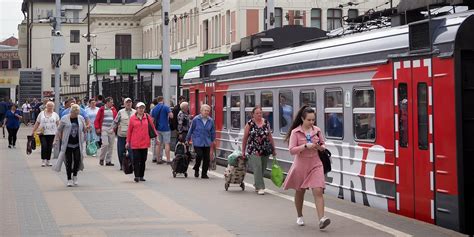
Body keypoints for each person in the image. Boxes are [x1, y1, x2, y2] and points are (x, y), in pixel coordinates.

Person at [283, 106, 331, 229]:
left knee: (318, 190)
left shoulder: (317, 130)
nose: (311, 122)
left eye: (313, 120)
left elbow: (323, 143)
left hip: (316, 164)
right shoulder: (295, 132)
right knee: (300, 191)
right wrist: (305, 146)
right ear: (302, 119)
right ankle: (299, 215)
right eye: (309, 120)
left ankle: (321, 219)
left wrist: (321, 147)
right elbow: (292, 150)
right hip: (301, 165)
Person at [242, 105, 277, 195]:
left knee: (263, 167)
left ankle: (257, 183)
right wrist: (243, 151)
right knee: (257, 166)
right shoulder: (250, 124)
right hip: (253, 148)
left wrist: (273, 149)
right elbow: (245, 138)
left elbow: (269, 136)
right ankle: (260, 187)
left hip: (265, 148)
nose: (259, 115)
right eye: (257, 113)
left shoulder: (266, 122)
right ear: (253, 114)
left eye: (260, 113)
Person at [53, 104, 86, 187]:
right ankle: (69, 179)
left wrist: (87, 130)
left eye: (77, 113)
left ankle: (75, 176)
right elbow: (59, 130)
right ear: (71, 112)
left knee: (77, 160)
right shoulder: (64, 118)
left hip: (77, 144)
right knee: (69, 161)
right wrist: (57, 139)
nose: (76, 115)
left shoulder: (80, 118)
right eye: (74, 113)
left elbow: (84, 129)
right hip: (67, 144)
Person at [126, 102, 156, 182]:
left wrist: (157, 138)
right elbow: (129, 131)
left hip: (145, 142)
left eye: (143, 108)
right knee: (136, 159)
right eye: (140, 108)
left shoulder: (147, 117)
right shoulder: (132, 118)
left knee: (143, 159)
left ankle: (141, 175)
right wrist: (127, 142)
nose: (141, 109)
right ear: (137, 109)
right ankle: (137, 176)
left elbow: (152, 127)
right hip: (135, 142)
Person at [186, 104, 215, 179]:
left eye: (208, 111)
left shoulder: (210, 120)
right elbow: (191, 129)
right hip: (197, 141)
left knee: (206, 158)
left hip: (207, 142)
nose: (207, 112)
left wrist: (213, 140)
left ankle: (204, 174)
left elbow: (212, 131)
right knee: (199, 155)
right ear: (201, 111)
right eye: (205, 111)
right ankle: (196, 168)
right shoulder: (196, 119)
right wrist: (187, 139)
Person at [31, 101, 60, 167]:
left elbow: (59, 124)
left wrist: (60, 133)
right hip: (42, 133)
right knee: (44, 146)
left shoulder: (55, 115)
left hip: (52, 133)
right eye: (48, 106)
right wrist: (33, 131)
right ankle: (43, 160)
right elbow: (37, 123)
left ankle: (48, 160)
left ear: (53, 107)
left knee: (49, 147)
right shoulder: (41, 114)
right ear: (46, 106)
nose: (50, 107)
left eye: (51, 106)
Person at [94, 97, 117, 166]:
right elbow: (97, 119)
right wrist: (97, 128)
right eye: (111, 102)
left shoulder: (113, 109)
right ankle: (102, 158)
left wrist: (115, 127)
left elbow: (116, 118)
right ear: (107, 102)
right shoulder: (102, 109)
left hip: (111, 129)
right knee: (105, 144)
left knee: (111, 146)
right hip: (104, 128)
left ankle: (108, 161)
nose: (112, 103)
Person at [113, 98, 135, 170]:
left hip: (132, 136)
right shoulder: (120, 112)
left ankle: (132, 165)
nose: (128, 104)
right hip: (122, 135)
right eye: (127, 103)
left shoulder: (135, 112)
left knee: (132, 151)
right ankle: (122, 165)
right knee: (121, 151)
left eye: (130, 102)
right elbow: (116, 122)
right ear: (124, 104)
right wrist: (113, 130)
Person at [151, 96, 173, 164]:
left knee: (158, 144)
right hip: (166, 128)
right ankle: (168, 160)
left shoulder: (154, 108)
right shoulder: (166, 107)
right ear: (163, 100)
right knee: (167, 144)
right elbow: (171, 116)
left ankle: (158, 159)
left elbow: (152, 120)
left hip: (157, 128)